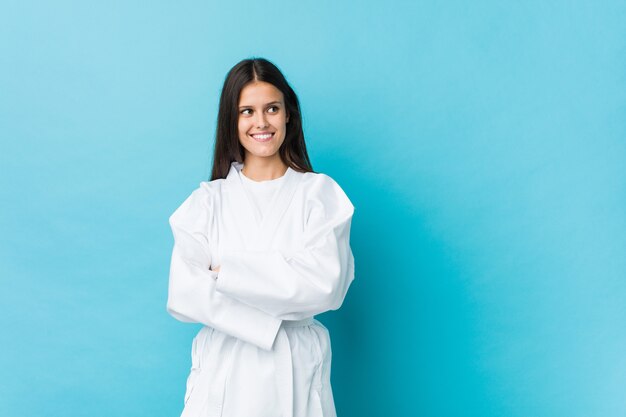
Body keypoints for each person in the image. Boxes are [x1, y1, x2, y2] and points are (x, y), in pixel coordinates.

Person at [166, 57, 355, 417]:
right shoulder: (206, 203)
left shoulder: (320, 196)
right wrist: (280, 291)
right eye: (247, 111)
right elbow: (185, 292)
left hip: (294, 365)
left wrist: (227, 275)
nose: (261, 122)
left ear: (288, 115)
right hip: (225, 367)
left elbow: (326, 284)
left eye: (271, 108)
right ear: (232, 120)